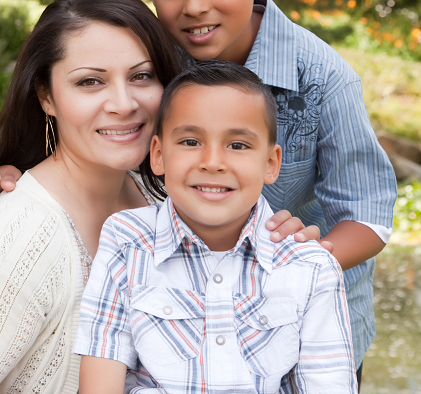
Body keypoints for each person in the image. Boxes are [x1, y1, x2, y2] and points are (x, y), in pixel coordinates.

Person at [0, 0, 397, 386]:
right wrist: (20, 170)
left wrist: (293, 261)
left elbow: (368, 215)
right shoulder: (159, 58)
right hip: (180, 320)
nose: (194, 7)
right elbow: (102, 125)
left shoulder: (323, 78)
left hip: (297, 329)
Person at [0, 0, 183, 394]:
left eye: (142, 76)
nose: (124, 103)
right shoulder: (16, 244)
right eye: (90, 82)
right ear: (46, 96)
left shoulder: (162, 193)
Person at [75, 61, 357, 393]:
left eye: (237, 145)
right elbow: (99, 384)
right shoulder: (128, 241)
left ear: (270, 164)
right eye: (190, 142)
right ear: (158, 155)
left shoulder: (309, 267)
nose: (212, 162)